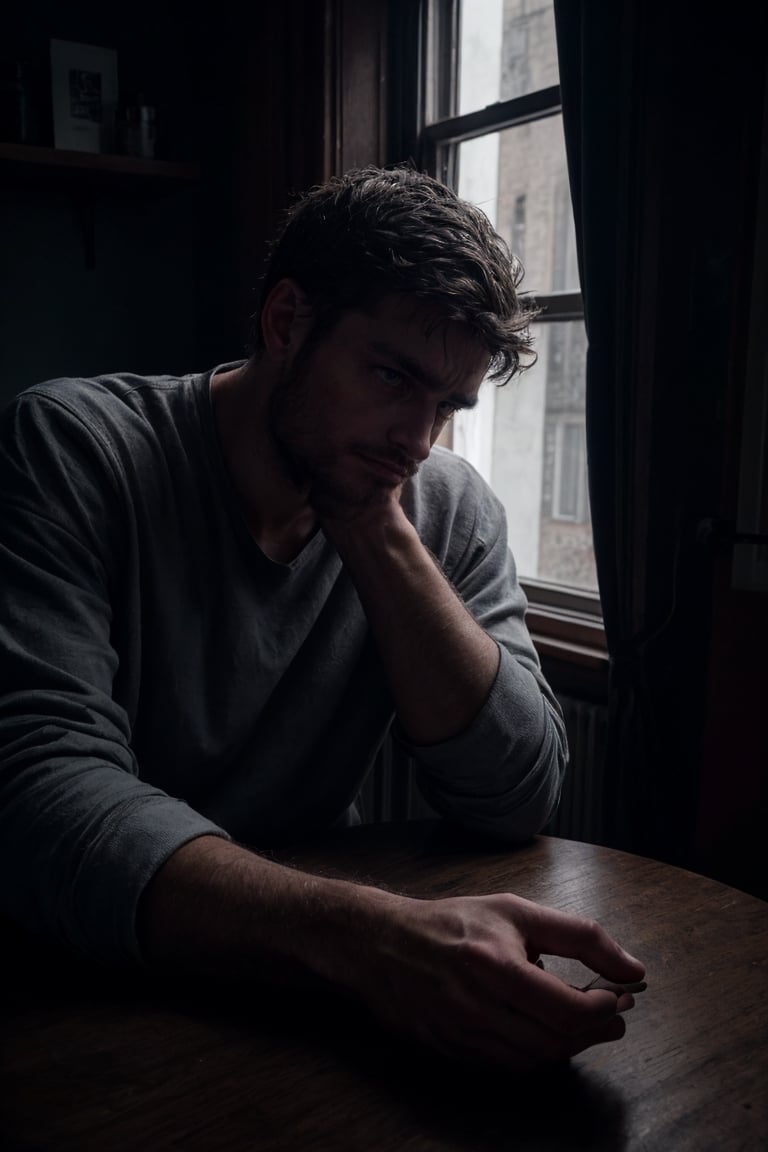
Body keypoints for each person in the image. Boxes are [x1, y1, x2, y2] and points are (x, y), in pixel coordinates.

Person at [0, 164, 644, 1067]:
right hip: (73, 988)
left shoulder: (439, 506)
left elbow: (515, 795)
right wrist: (367, 940)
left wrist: (372, 523)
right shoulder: (75, 446)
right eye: (391, 376)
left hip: (297, 1002)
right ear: (286, 322)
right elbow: (37, 794)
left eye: (447, 407)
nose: (417, 441)